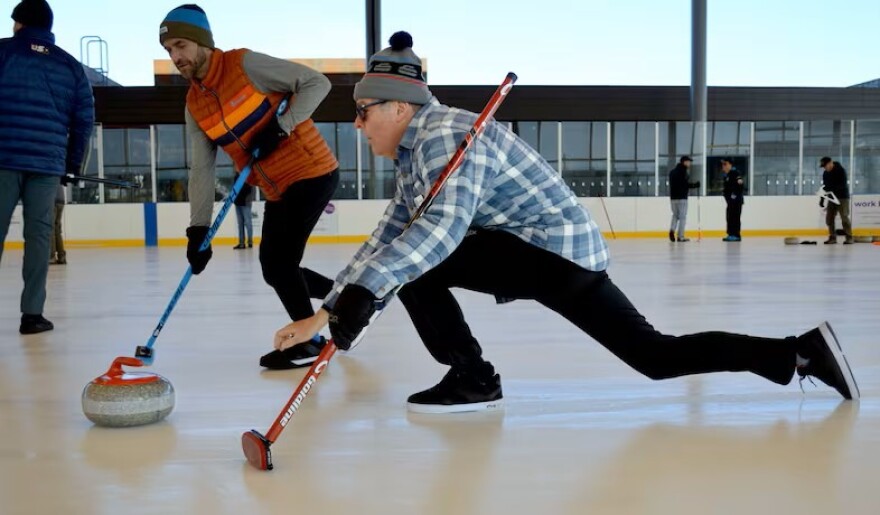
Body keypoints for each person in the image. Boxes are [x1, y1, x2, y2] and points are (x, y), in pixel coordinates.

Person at [271, 32, 859, 414]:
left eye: (362, 112)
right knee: (653, 356)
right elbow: (388, 236)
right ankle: (797, 354)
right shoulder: (415, 154)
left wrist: (349, 304)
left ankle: (473, 376)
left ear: (399, 106)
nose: (356, 125)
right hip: (555, 257)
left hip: (550, 252)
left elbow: (437, 236)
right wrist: (336, 304)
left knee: (423, 264)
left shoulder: (446, 135)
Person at [159, 4, 337, 368]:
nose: (175, 57)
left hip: (310, 170)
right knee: (275, 267)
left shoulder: (244, 65)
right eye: (168, 51)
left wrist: (282, 125)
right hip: (275, 187)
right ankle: (343, 297)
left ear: (202, 41)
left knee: (279, 263)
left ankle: (310, 341)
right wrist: (198, 229)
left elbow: (317, 83)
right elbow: (201, 168)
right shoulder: (194, 103)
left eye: (181, 45)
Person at [0, 0, 94, 334]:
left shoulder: (4, 52)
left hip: (4, 158)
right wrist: (70, 165)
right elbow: (84, 121)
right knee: (39, 236)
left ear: (19, 23)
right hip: (46, 164)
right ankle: (32, 315)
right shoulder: (69, 66)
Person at [819, 157, 852, 245]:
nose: (824, 168)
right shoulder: (826, 173)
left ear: (830, 163)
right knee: (829, 218)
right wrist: (822, 199)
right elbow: (825, 187)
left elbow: (842, 185)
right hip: (832, 198)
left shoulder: (840, 171)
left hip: (842, 197)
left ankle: (849, 237)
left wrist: (830, 189)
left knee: (844, 217)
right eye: (823, 167)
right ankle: (832, 237)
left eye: (825, 166)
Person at [668, 155, 700, 242]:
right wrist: (694, 185)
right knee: (682, 217)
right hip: (682, 198)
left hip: (673, 198)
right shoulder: (684, 172)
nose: (690, 163)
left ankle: (672, 229)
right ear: (684, 162)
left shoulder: (672, 172)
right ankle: (680, 236)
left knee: (675, 215)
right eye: (689, 161)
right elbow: (684, 184)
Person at [721, 157, 744, 242]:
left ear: (730, 164)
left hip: (736, 201)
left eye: (725, 164)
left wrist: (734, 195)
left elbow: (740, 185)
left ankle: (736, 235)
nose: (723, 166)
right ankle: (731, 234)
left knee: (735, 217)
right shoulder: (727, 175)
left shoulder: (735, 173)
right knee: (729, 217)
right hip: (730, 202)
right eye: (723, 164)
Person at [233, 177, 254, 249]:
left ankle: (250, 242)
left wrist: (248, 199)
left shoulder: (247, 173)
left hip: (246, 203)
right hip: (237, 203)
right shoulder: (236, 175)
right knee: (240, 224)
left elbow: (250, 188)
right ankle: (241, 243)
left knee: (248, 223)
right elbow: (234, 187)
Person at [49, 183, 66, 265]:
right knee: (57, 229)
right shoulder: (58, 171)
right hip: (61, 200)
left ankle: (51, 256)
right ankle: (61, 256)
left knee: (51, 229)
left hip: (52, 200)